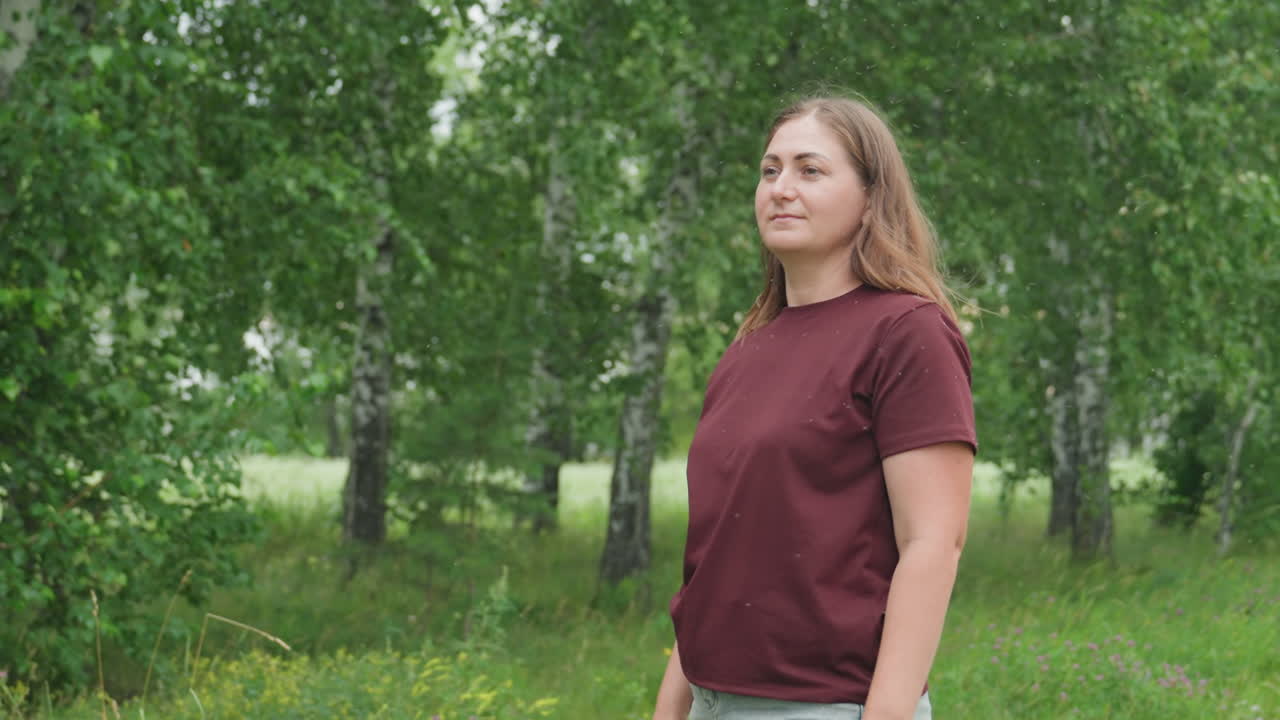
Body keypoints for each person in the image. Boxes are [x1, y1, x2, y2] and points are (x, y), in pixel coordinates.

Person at [651, 96, 977, 720]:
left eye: (810, 170)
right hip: (711, 701)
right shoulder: (748, 349)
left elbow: (933, 543)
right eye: (770, 170)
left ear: (869, 200)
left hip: (827, 707)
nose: (781, 188)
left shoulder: (907, 332)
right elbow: (714, 564)